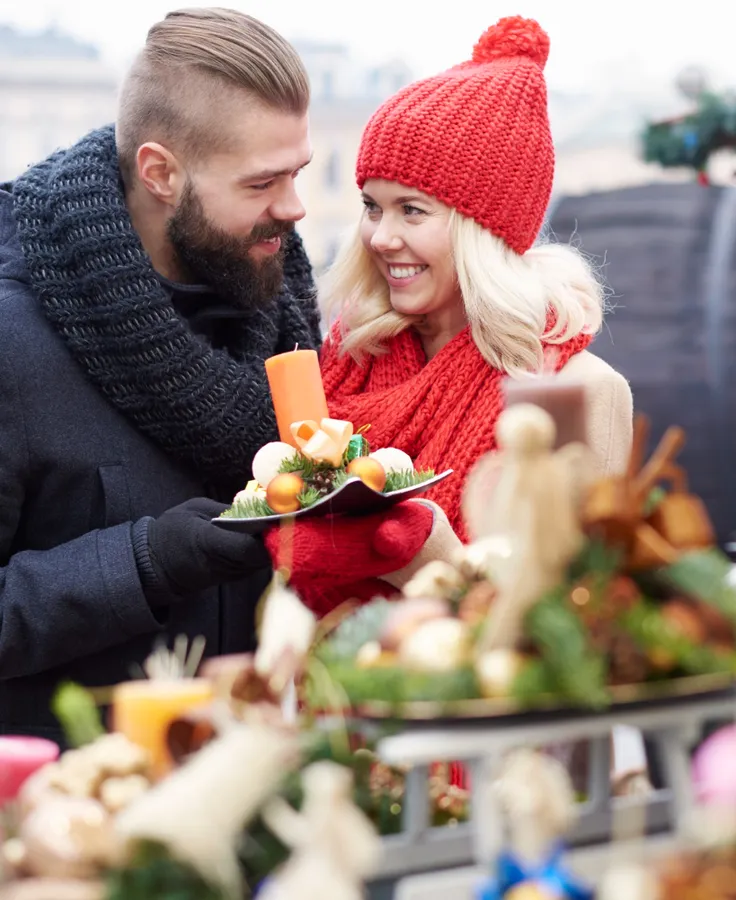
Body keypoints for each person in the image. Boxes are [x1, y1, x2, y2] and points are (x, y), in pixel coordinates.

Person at [0, 8, 321, 741]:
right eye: (262, 182)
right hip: (76, 817)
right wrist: (142, 562)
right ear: (161, 173)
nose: (295, 207)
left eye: (298, 173)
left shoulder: (283, 306)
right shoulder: (13, 338)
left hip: (257, 797)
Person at [265, 15, 634, 615]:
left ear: (483, 231)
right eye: (372, 206)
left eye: (412, 211)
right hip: (323, 699)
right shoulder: (347, 362)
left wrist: (431, 555)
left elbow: (574, 620)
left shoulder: (578, 392)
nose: (380, 238)